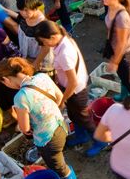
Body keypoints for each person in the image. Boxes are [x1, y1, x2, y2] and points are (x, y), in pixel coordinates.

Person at [0, 57, 78, 179]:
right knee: (58, 155)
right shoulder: (42, 76)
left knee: (57, 164)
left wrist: (16, 116)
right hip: (61, 125)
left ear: (6, 79)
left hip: (48, 139)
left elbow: (25, 128)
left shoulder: (20, 97)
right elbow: (60, 98)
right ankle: (65, 168)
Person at [30, 21, 105, 156]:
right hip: (71, 88)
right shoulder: (63, 39)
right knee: (74, 115)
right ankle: (81, 136)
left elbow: (73, 82)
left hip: (76, 91)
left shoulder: (64, 52)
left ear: (52, 38)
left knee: (84, 118)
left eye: (43, 42)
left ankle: (100, 142)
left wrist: (62, 99)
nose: (43, 45)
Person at [100, 0, 130, 96]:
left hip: (124, 54)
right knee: (122, 77)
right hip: (115, 49)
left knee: (128, 80)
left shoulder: (122, 17)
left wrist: (115, 62)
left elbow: (122, 43)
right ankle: (124, 94)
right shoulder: (110, 8)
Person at [16, 0, 56, 74]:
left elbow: (46, 48)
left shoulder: (42, 24)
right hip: (28, 59)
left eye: (26, 10)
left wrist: (36, 63)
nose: (23, 13)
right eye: (21, 10)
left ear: (34, 7)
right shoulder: (24, 18)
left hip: (40, 62)